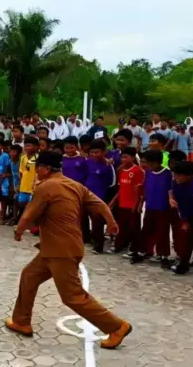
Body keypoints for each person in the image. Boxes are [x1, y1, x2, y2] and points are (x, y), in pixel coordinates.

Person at [7, 151, 132, 349]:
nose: (36, 170)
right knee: (29, 276)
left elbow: (28, 215)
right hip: (56, 248)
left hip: (61, 250)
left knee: (72, 296)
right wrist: (111, 222)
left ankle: (116, 327)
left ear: (46, 169)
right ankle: (21, 321)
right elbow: (99, 204)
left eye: (38, 167)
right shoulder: (74, 185)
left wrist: (18, 231)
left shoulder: (45, 186)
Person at [169, 160, 193, 277]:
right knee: (185, 241)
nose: (176, 177)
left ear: (190, 175)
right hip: (187, 214)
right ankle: (183, 265)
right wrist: (185, 220)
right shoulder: (175, 182)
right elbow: (180, 202)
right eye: (175, 174)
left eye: (179, 175)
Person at [133, 150, 172, 265]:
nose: (150, 166)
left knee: (163, 231)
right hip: (150, 206)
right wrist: (141, 203)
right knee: (146, 229)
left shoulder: (167, 174)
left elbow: (170, 191)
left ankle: (163, 255)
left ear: (160, 162)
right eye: (148, 164)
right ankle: (144, 251)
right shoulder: (148, 173)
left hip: (163, 207)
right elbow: (146, 188)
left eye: (152, 164)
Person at [108, 147, 143, 257]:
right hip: (122, 203)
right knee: (121, 226)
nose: (123, 159)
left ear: (132, 157)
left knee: (134, 228)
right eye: (122, 157)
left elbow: (140, 190)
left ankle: (134, 249)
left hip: (132, 204)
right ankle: (119, 245)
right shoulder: (121, 170)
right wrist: (113, 201)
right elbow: (121, 188)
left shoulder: (137, 171)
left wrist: (137, 204)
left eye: (125, 157)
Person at [85, 140, 117, 254]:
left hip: (100, 197)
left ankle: (99, 246)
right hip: (87, 194)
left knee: (97, 221)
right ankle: (89, 239)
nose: (94, 155)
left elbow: (112, 183)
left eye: (97, 152)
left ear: (104, 152)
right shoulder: (88, 161)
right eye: (92, 152)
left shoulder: (108, 165)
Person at [17, 137, 39, 222]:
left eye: (29, 146)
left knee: (32, 205)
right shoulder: (23, 158)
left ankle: (32, 222)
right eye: (25, 146)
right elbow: (21, 172)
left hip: (33, 187)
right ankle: (27, 220)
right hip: (24, 185)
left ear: (36, 147)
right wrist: (19, 185)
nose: (27, 148)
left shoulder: (38, 158)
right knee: (22, 203)